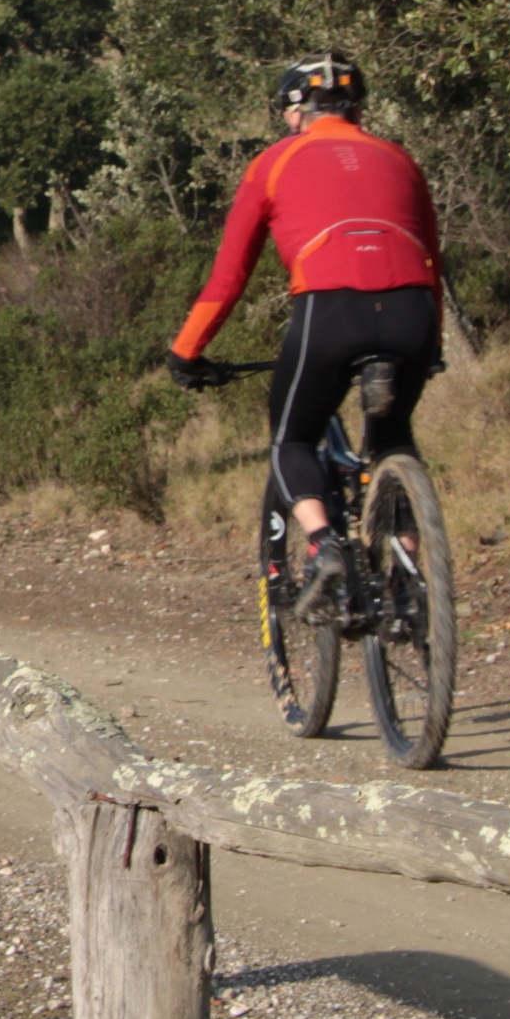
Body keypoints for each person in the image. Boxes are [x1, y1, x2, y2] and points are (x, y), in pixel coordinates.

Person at [165, 54, 442, 620]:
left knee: (292, 440)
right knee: (392, 439)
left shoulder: (272, 162)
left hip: (329, 311)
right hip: (413, 311)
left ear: (295, 112)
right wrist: (430, 345)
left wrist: (186, 351)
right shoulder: (400, 159)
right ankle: (407, 583)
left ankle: (323, 543)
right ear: (357, 108)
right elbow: (433, 257)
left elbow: (229, 277)